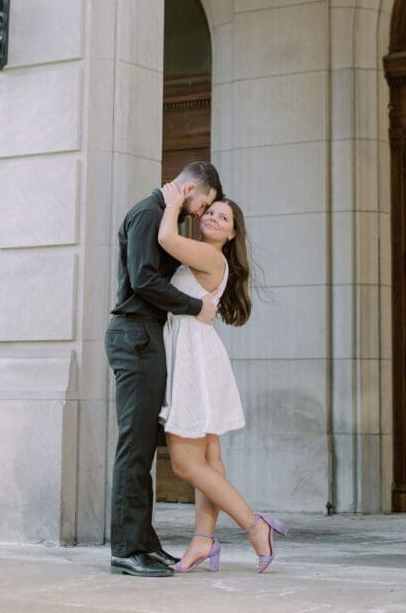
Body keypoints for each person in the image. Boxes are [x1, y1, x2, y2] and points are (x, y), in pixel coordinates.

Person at [157, 181, 288, 574]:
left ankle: (254, 525)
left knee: (184, 463)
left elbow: (165, 236)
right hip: (197, 354)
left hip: (194, 361)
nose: (214, 217)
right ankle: (202, 540)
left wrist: (173, 201)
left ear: (232, 234)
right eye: (211, 212)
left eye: (224, 217)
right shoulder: (203, 256)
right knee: (210, 461)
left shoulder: (210, 257)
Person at [105, 161, 223, 578]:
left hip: (146, 338)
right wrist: (195, 306)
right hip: (134, 335)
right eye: (203, 204)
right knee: (133, 449)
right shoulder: (147, 213)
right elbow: (142, 280)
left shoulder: (162, 215)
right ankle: (125, 549)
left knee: (142, 450)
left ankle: (144, 543)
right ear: (191, 187)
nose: (200, 213)